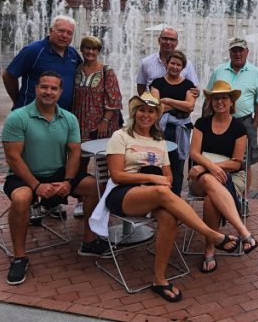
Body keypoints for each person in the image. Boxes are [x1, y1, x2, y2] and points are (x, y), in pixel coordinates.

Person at [89, 92, 241, 303]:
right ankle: (213, 235)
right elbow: (117, 175)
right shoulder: (120, 136)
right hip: (122, 194)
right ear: (134, 112)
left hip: (153, 194)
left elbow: (168, 178)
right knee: (162, 192)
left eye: (151, 111)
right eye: (142, 110)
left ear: (156, 116)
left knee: (169, 218)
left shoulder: (159, 142)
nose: (146, 115)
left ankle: (159, 280)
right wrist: (152, 177)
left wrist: (157, 181)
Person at [0, 71, 114, 286]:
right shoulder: (18, 117)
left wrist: (68, 181)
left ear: (61, 92)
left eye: (54, 88)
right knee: (21, 199)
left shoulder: (69, 118)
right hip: (24, 176)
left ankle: (89, 242)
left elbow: (75, 152)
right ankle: (19, 257)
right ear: (36, 88)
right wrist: (36, 185)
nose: (48, 92)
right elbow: (13, 158)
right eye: (44, 87)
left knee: (96, 186)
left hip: (59, 173)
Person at [188, 80, 258, 273]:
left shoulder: (239, 128)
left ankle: (210, 248)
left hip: (231, 176)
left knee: (212, 199)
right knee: (210, 181)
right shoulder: (201, 123)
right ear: (210, 102)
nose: (220, 101)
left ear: (231, 102)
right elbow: (194, 153)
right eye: (216, 98)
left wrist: (207, 168)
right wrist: (208, 167)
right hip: (200, 177)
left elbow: (236, 163)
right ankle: (243, 232)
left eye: (224, 98)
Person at [205, 38, 258, 201]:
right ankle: (219, 195)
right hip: (219, 121)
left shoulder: (256, 73)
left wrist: (253, 127)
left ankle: (243, 199)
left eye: (241, 50)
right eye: (234, 50)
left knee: (244, 163)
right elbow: (208, 99)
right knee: (219, 157)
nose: (237, 54)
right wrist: (204, 123)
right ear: (229, 53)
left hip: (244, 122)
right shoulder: (219, 71)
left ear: (247, 52)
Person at [3, 15, 81, 111]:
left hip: (61, 116)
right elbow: (8, 75)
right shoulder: (34, 50)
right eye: (61, 31)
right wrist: (17, 100)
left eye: (69, 33)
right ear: (51, 31)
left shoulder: (73, 54)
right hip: (31, 114)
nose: (65, 36)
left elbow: (84, 72)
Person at [149, 50, 195, 197]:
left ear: (183, 67)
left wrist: (167, 101)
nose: (175, 67)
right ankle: (159, 196)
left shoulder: (188, 84)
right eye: (172, 63)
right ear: (167, 64)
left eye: (178, 65)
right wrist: (179, 105)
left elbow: (190, 106)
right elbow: (156, 106)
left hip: (180, 131)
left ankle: (175, 197)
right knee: (158, 163)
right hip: (161, 129)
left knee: (177, 166)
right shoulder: (157, 83)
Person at [73, 35, 124, 140]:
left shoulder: (106, 71)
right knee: (81, 154)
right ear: (82, 49)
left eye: (94, 49)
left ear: (98, 51)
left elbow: (114, 100)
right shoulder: (77, 69)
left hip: (102, 125)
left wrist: (105, 121)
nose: (90, 51)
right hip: (79, 123)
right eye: (87, 48)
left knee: (102, 154)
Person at [136, 27, 200, 97]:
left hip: (179, 107)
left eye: (172, 40)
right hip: (153, 106)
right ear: (159, 40)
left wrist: (197, 93)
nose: (168, 42)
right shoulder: (146, 62)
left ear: (176, 43)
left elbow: (194, 90)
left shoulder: (187, 64)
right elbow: (141, 87)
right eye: (165, 38)